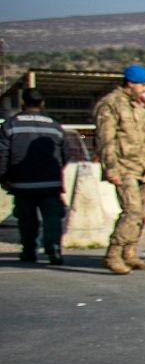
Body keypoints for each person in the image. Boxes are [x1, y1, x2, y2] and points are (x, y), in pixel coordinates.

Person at [0, 88, 81, 264]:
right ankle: (54, 250)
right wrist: (54, 172)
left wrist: (4, 177)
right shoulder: (55, 126)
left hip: (22, 183)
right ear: (42, 103)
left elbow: (3, 154)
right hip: (51, 183)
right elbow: (66, 154)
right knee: (52, 219)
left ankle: (29, 251)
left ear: (22, 103)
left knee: (27, 220)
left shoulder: (11, 125)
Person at [93, 64, 145, 274]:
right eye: (143, 85)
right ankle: (113, 254)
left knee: (140, 214)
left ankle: (129, 253)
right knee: (132, 211)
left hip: (142, 167)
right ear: (130, 83)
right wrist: (111, 168)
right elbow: (106, 139)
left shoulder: (137, 106)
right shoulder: (110, 104)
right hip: (124, 167)